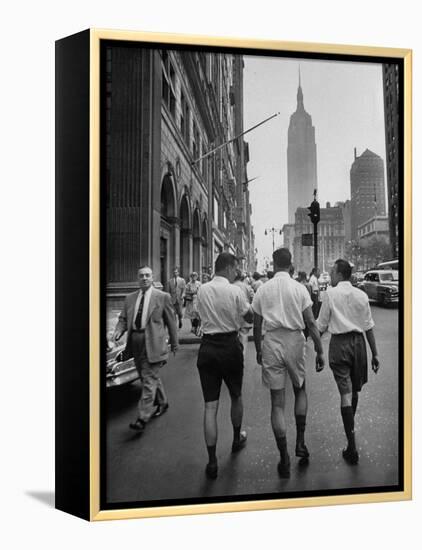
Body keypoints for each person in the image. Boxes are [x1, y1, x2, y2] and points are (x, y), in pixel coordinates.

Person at [252, 248, 324, 478]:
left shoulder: (263, 289)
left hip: (271, 341)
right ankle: (300, 443)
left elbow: (256, 324)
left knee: (277, 403)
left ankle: (283, 458)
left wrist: (258, 349)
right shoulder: (299, 288)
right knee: (300, 389)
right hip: (294, 340)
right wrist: (320, 350)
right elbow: (311, 323)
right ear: (290, 263)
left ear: (273, 264)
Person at [196, 253, 253, 479]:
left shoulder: (201, 289)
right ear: (228, 268)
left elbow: (197, 315)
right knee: (236, 395)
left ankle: (211, 462)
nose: (236, 272)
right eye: (235, 268)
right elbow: (249, 317)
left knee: (210, 406)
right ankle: (237, 438)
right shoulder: (235, 291)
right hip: (230, 345)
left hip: (208, 347)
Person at [317, 259, 380, 465]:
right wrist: (375, 354)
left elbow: (321, 325)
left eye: (333, 272)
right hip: (359, 344)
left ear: (339, 274)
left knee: (345, 393)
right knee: (354, 392)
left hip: (339, 345)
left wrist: (311, 342)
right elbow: (368, 326)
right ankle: (350, 430)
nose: (331, 275)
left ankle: (351, 445)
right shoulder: (361, 295)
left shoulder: (330, 294)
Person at [113, 266, 178, 433]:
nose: (144, 278)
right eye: (141, 275)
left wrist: (175, 343)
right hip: (135, 343)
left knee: (148, 379)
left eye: (148, 275)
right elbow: (123, 319)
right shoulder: (130, 298)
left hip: (154, 343)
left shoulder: (162, 297)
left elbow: (171, 322)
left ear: (152, 277)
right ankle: (162, 402)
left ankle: (142, 417)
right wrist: (118, 331)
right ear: (137, 278)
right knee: (146, 376)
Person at [233, 269, 254, 350]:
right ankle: (242, 357)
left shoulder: (230, 285)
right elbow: (252, 298)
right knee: (243, 337)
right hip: (244, 314)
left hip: (233, 315)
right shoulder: (246, 286)